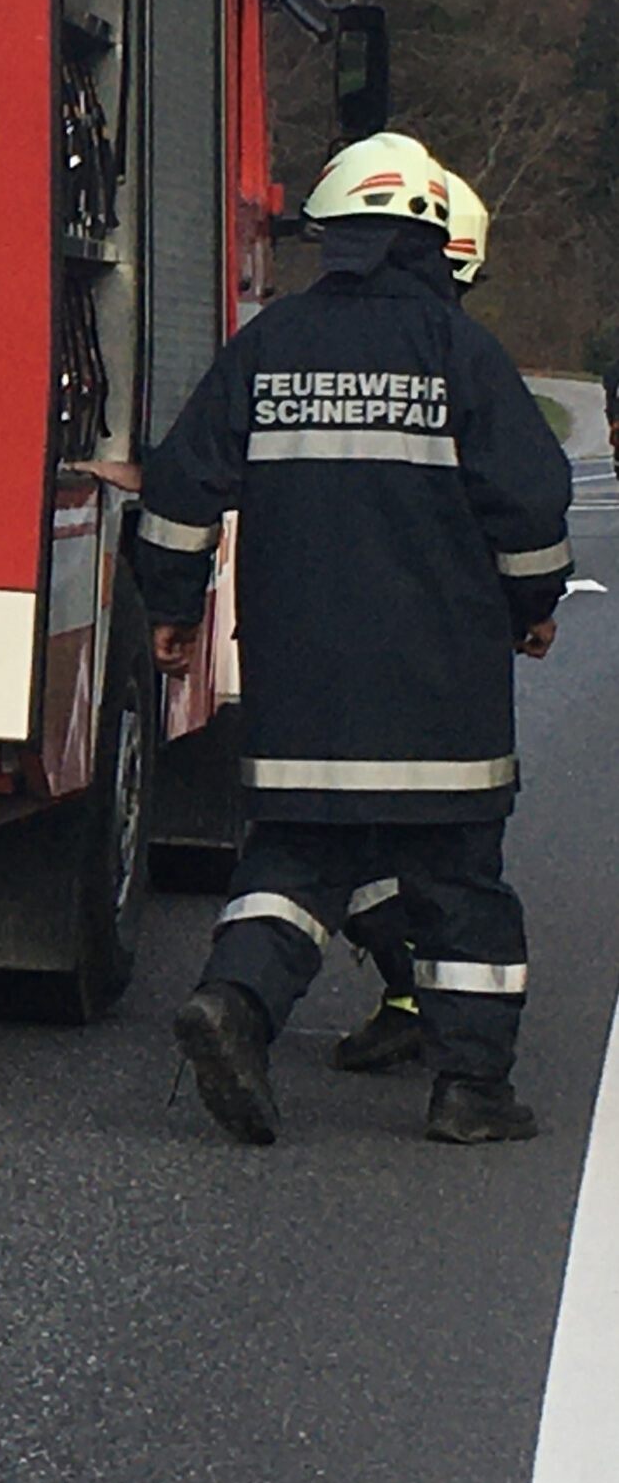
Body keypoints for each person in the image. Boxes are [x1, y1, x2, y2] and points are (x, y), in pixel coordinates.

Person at [142, 134, 570, 1147]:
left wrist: (170, 602)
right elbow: (530, 501)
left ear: (329, 237)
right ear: (432, 241)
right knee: (459, 884)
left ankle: (234, 1007)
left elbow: (180, 484)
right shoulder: (457, 351)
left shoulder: (268, 343)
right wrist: (530, 608)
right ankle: (469, 1090)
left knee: (291, 864)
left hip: (299, 683)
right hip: (442, 688)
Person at [331, 167, 499, 1072]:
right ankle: (435, 1017)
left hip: (360, 654)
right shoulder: (462, 361)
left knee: (347, 839)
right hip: (445, 663)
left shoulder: (417, 356)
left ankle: (418, 999)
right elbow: (522, 503)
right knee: (445, 853)